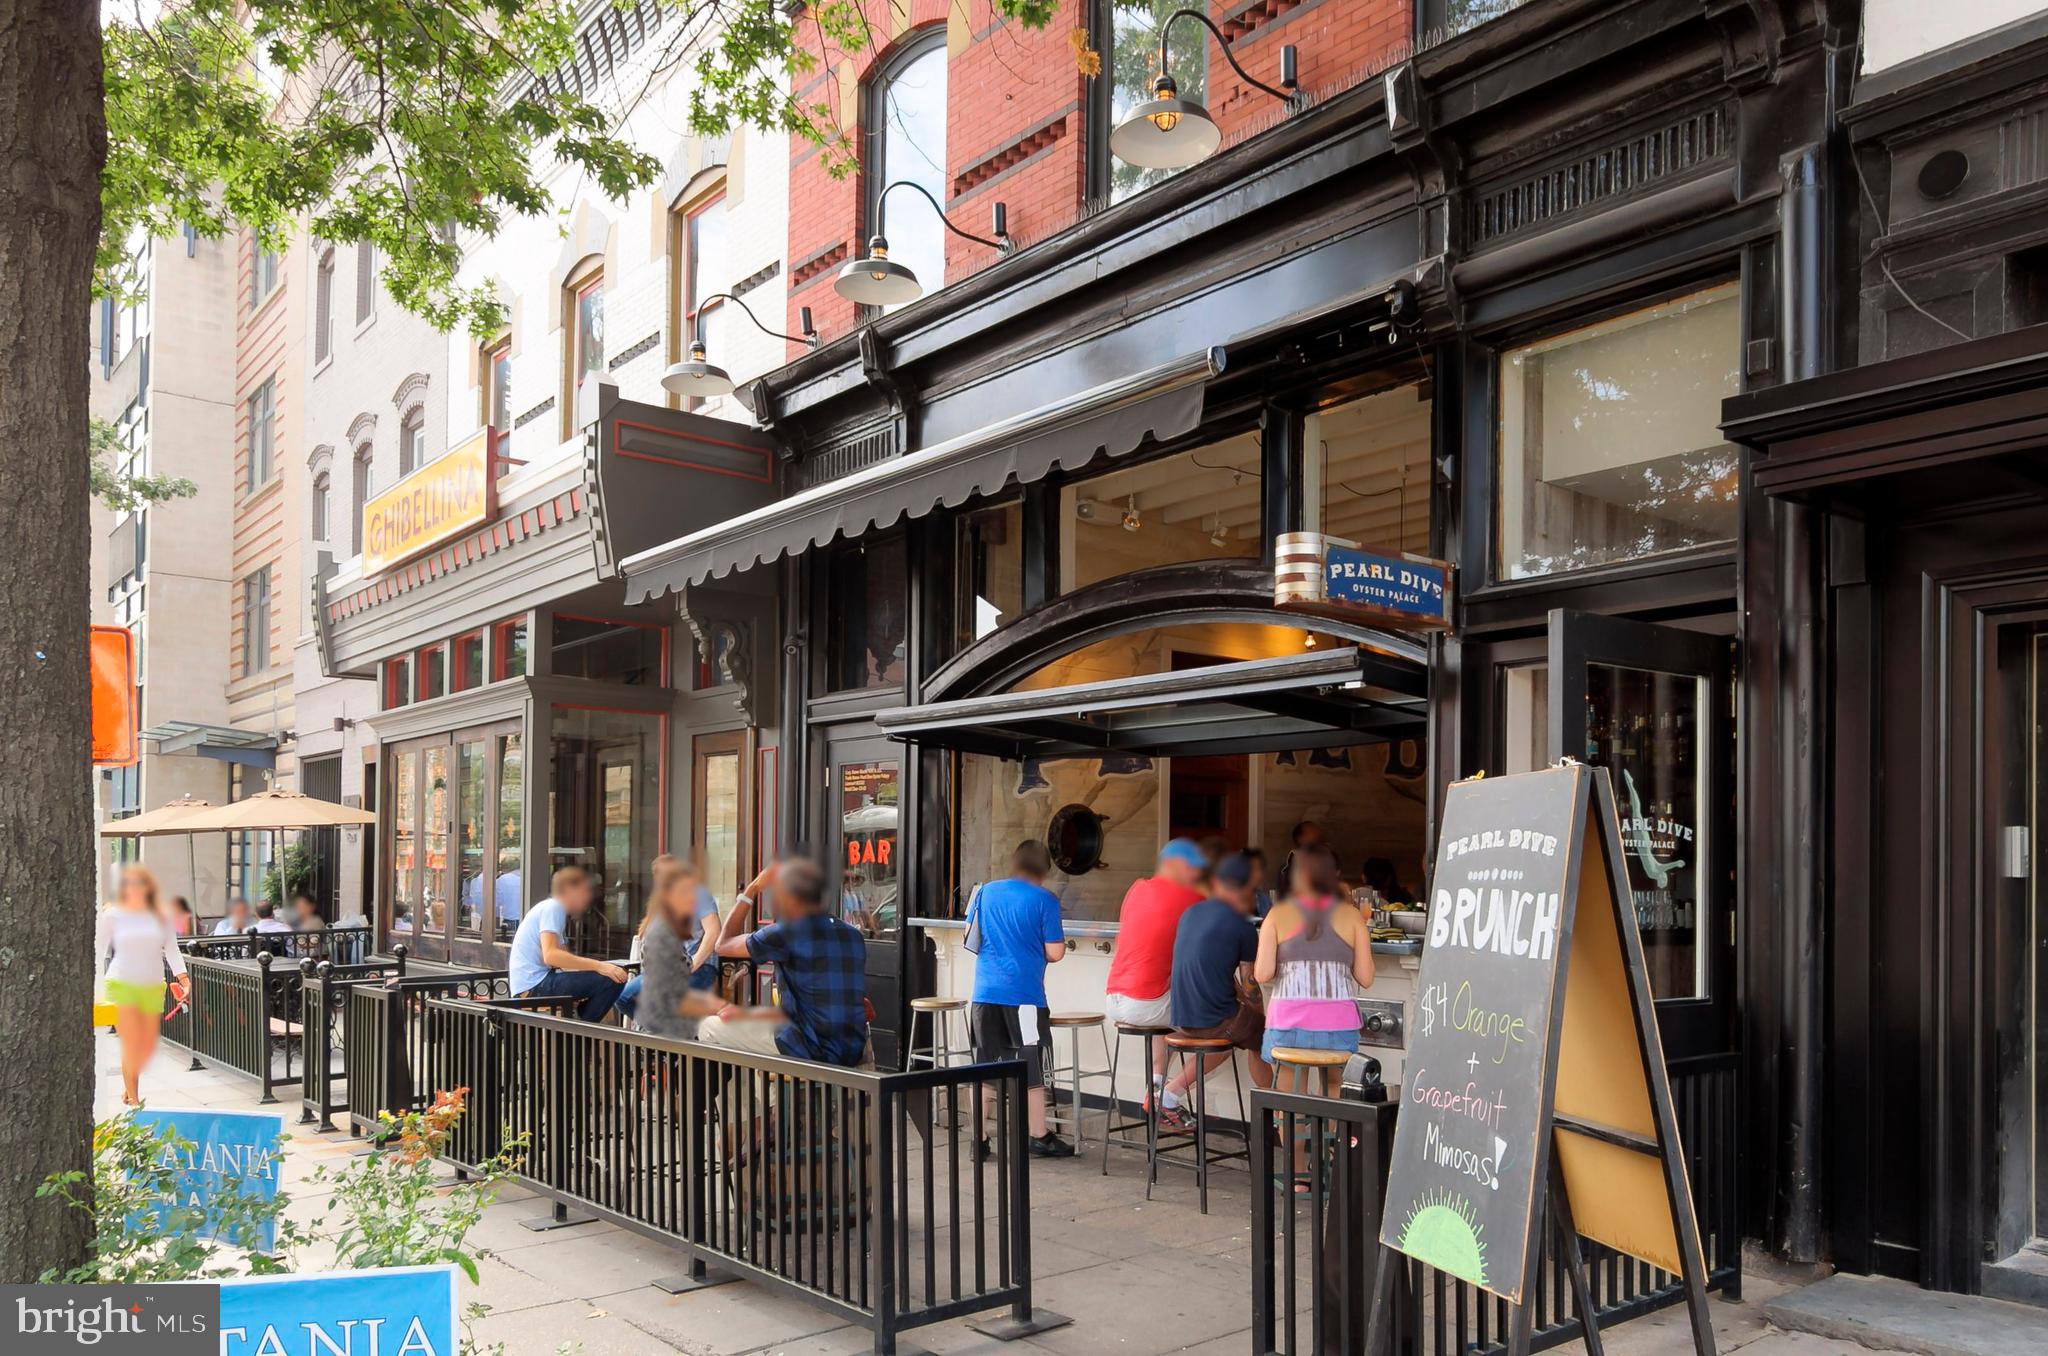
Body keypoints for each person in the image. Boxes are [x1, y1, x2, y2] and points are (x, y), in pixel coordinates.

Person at [698, 858, 868, 1066]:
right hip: (851, 1049)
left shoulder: (787, 931)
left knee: (707, 1027)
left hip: (808, 1048)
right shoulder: (853, 935)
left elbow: (722, 944)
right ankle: (763, 1084)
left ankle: (725, 1089)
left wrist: (752, 889)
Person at [964, 840, 1073, 1158]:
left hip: (985, 996)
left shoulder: (984, 892)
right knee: (1030, 1069)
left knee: (983, 1068)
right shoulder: (1045, 899)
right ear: (1043, 870)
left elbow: (968, 936)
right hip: (1025, 1000)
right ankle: (1038, 1135)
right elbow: (1056, 952)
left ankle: (978, 1140)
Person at [1159, 852, 1272, 1129]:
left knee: (1244, 1030)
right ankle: (1273, 1108)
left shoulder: (1191, 913)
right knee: (1262, 1034)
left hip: (1179, 1014)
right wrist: (1257, 1017)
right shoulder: (1242, 926)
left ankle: (1168, 1090)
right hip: (1211, 1019)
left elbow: (1212, 969)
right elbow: (1250, 983)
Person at [1255, 844, 1373, 1092]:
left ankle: (1291, 1120)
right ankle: (1331, 1119)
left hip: (1288, 1025)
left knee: (1290, 1096)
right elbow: (1366, 977)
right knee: (1334, 1086)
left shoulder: (1277, 914)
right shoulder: (1352, 916)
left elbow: (1262, 974)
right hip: (1339, 1026)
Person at [1103, 838, 1209, 1096]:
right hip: (1147, 1004)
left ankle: (1155, 1088)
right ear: (1173, 864)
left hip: (1114, 998)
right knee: (1227, 1033)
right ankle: (1170, 1095)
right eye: (1191, 867)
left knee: (1169, 1004)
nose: (1196, 873)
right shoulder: (1193, 897)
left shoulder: (1137, 888)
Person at [97, 865, 191, 1106]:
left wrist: (184, 980)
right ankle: (135, 1101)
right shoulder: (112, 915)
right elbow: (98, 951)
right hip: (121, 983)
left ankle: (129, 1086)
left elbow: (172, 949)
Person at [509, 866, 629, 1021]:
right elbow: (551, 956)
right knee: (612, 980)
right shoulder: (554, 907)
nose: (588, 897)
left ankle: (579, 1024)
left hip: (532, 985)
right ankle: (582, 1029)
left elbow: (563, 961)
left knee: (607, 977)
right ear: (570, 890)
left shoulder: (550, 909)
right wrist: (600, 966)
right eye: (585, 891)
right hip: (535, 985)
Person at [633, 859, 717, 1040]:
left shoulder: (698, 894)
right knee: (626, 996)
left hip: (696, 967)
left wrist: (694, 963)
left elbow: (713, 931)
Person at [1242, 847, 1274, 918]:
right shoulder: (1232, 899)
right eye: (1253, 869)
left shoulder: (1264, 899)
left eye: (1260, 869)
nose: (1259, 874)